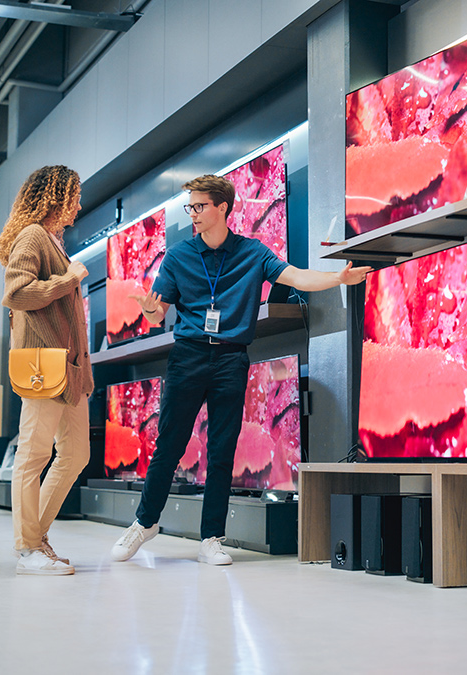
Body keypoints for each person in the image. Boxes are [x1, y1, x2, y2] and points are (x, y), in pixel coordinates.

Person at [111, 174, 370, 565]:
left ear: (223, 208)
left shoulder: (253, 252)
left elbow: (295, 275)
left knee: (222, 451)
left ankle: (211, 538)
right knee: (169, 446)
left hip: (231, 357)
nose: (193, 214)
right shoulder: (179, 256)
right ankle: (144, 523)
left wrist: (337, 277)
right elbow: (157, 312)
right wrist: (149, 310)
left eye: (200, 206)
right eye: (191, 207)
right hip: (188, 355)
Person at [0, 165, 93, 576]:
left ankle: (37, 539)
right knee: (34, 456)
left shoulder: (54, 241)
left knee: (75, 455)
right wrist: (67, 280)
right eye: (74, 194)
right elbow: (16, 292)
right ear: (56, 197)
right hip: (44, 367)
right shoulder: (34, 236)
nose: (79, 203)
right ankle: (27, 549)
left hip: (69, 371)